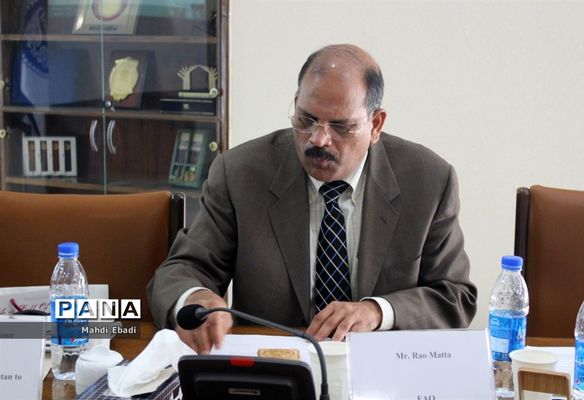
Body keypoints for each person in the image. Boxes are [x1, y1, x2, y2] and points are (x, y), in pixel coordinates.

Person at [147, 44, 477, 354]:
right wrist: (196, 298)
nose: (318, 139)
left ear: (375, 124)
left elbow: (455, 296)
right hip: (276, 363)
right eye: (306, 119)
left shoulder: (428, 180)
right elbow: (184, 269)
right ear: (295, 103)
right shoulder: (240, 173)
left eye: (341, 127)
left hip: (381, 367)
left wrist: (378, 312)